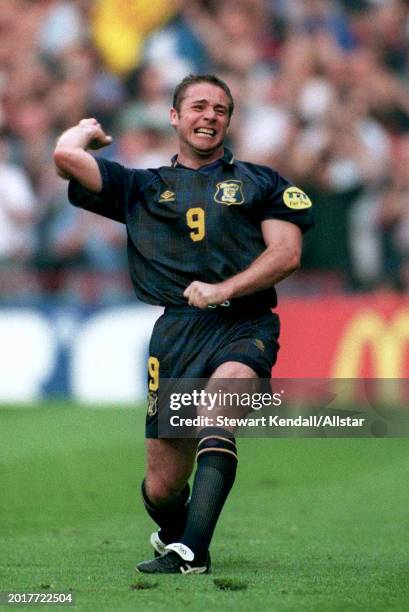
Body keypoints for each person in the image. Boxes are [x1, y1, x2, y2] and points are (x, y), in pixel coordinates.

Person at [53, 74, 314, 574]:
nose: (209, 116)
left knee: (220, 411)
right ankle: (175, 537)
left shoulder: (263, 182)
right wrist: (86, 130)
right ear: (175, 117)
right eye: (198, 106)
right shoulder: (143, 187)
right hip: (175, 335)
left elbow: (287, 253)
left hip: (245, 323)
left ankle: (193, 551)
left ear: (229, 122)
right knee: (162, 486)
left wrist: (224, 290)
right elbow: (65, 158)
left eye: (220, 109)